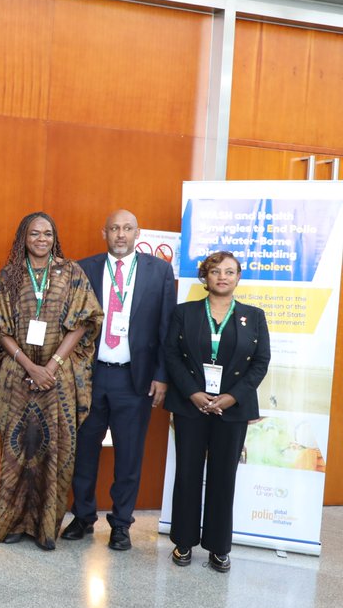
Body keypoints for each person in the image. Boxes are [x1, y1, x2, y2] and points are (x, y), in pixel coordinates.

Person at [0, 212, 102, 551]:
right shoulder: (9, 275)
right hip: (18, 377)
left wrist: (51, 365)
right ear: (23, 237)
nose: (41, 239)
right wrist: (29, 366)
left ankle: (46, 528)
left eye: (47, 234)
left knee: (55, 450)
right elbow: (1, 329)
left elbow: (83, 322)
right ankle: (12, 524)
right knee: (16, 452)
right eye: (34, 234)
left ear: (54, 237)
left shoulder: (72, 272)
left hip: (57, 378)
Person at [63, 210, 175, 551]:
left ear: (137, 232)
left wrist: (162, 376)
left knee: (128, 455)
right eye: (114, 228)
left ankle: (121, 523)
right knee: (84, 452)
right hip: (91, 377)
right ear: (104, 232)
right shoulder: (85, 268)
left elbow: (167, 327)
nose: (121, 235)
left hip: (134, 380)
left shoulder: (159, 271)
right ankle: (83, 517)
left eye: (127, 229)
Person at [164, 251, 269, 573]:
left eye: (229, 271)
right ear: (205, 277)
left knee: (224, 477)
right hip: (190, 405)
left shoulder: (254, 315)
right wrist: (193, 393)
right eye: (215, 271)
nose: (222, 277)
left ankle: (219, 547)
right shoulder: (185, 313)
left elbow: (260, 362)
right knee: (187, 474)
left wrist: (232, 397)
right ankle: (183, 541)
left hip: (232, 409)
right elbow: (171, 355)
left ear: (238, 277)